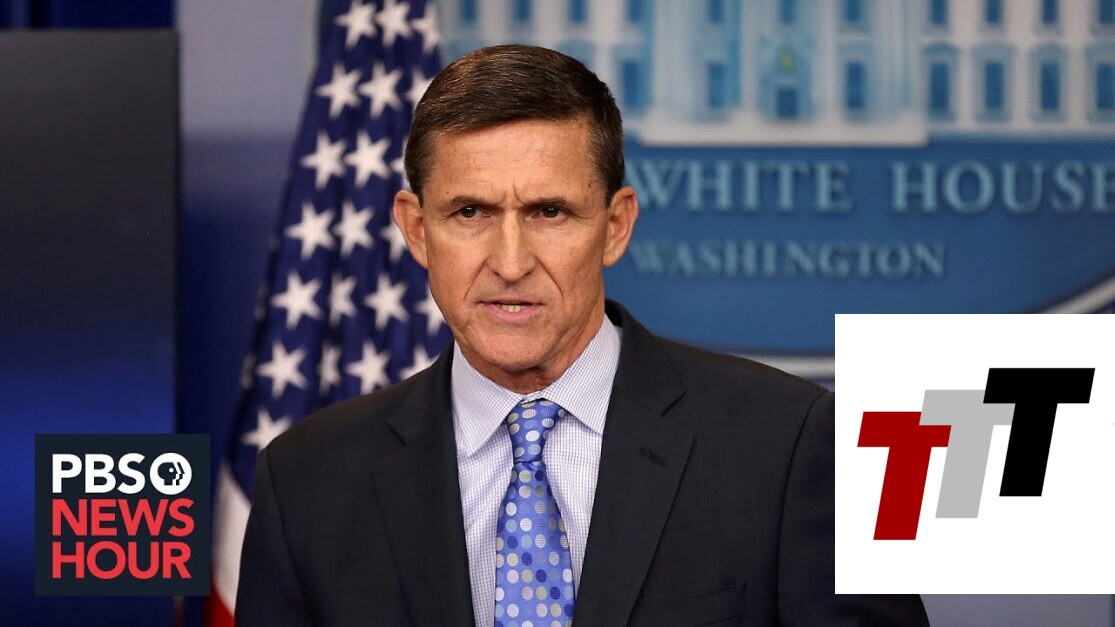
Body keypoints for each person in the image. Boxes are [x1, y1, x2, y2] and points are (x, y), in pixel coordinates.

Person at [235, 44, 929, 626]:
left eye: (549, 212)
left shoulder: (791, 444)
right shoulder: (306, 481)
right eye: (470, 212)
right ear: (417, 230)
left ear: (615, 226)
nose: (510, 262)